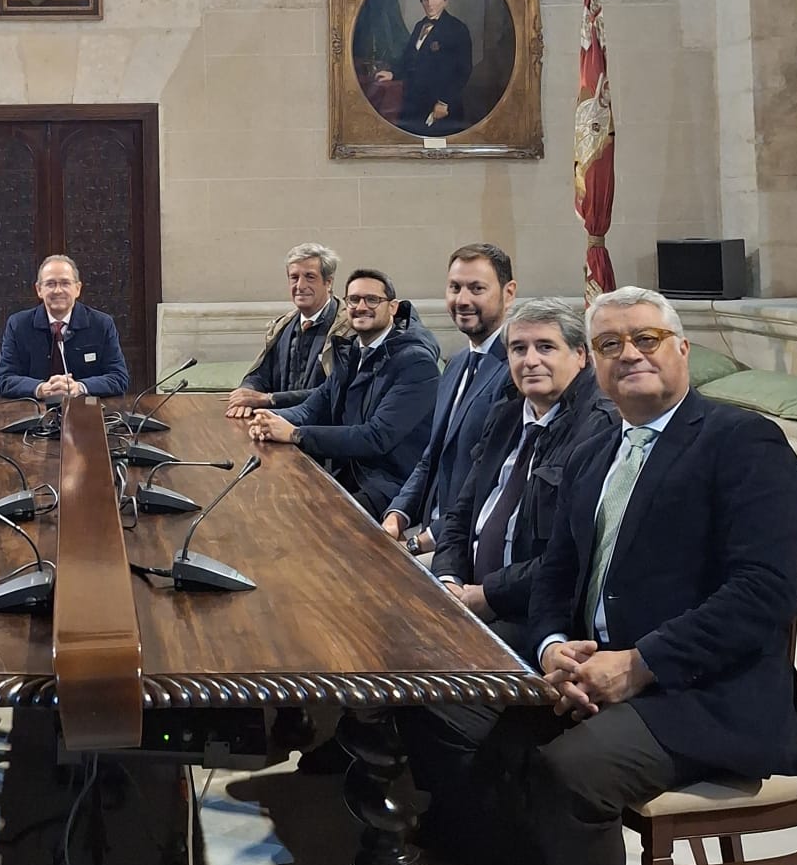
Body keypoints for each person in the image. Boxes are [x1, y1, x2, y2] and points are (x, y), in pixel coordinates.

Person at [433, 289, 797, 865]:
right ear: (596, 366)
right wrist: (551, 647)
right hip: (609, 674)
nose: (629, 354)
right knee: (486, 737)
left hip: (711, 692)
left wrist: (639, 665)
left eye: (646, 338)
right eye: (610, 345)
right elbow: (556, 573)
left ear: (681, 348)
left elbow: (761, 596)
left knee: (570, 770)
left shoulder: (742, 440)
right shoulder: (599, 448)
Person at [430, 297, 615, 661]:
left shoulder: (599, 427)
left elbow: (572, 555)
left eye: (545, 347)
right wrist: (448, 579)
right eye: (518, 348)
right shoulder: (507, 413)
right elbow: (461, 513)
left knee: (427, 661)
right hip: (468, 590)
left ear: (580, 355)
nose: (530, 360)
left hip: (532, 612)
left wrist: (489, 595)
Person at [248, 269, 440, 517]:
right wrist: (268, 420)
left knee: (310, 520)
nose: (361, 307)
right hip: (348, 473)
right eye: (354, 300)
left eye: (372, 300)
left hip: (391, 488)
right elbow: (312, 408)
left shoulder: (416, 363)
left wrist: (295, 434)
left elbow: (376, 437)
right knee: (273, 500)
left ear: (392, 307)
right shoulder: (351, 352)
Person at [384, 242, 517, 553]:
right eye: (455, 287)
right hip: (428, 532)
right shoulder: (455, 363)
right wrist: (396, 515)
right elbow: (432, 456)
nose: (463, 300)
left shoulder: (516, 370)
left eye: (477, 288)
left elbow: (492, 480)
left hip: (468, 546)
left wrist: (419, 543)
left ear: (508, 293)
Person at [225, 243, 342, 420]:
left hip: (324, 428)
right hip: (274, 423)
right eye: (294, 277)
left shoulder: (347, 330)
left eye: (310, 277)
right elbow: (261, 375)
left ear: (328, 282)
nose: (300, 285)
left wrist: (270, 399)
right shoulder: (284, 326)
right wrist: (246, 394)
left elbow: (335, 391)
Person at [0, 254, 130, 400]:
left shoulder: (102, 324)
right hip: (33, 410)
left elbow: (119, 378)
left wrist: (80, 387)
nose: (58, 290)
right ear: (39, 289)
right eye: (50, 284)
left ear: (77, 289)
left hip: (87, 408)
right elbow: (4, 379)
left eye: (65, 283)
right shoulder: (18, 325)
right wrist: (40, 388)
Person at [372, 0, 474, 134]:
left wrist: (444, 102)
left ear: (445, 1)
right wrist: (393, 73)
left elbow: (463, 70)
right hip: (414, 101)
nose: (429, 3)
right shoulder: (420, 26)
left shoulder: (457, 28)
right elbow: (409, 58)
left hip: (441, 106)